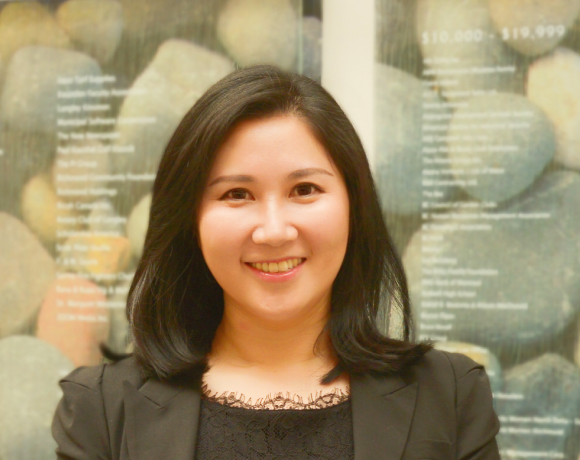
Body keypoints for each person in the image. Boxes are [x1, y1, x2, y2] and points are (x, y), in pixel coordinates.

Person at [52, 65, 500, 459]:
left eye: (304, 190)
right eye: (237, 194)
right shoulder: (102, 410)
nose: (273, 231)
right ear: (190, 219)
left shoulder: (450, 396)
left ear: (354, 205)